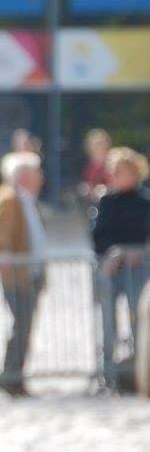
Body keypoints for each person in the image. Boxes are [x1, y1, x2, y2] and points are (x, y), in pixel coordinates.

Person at [0, 151, 47, 397]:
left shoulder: (26, 199)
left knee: (24, 326)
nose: (40, 176)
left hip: (30, 273)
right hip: (18, 275)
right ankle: (10, 377)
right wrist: (4, 254)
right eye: (36, 172)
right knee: (20, 326)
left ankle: (14, 376)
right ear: (23, 176)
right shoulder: (9, 198)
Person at [90, 147, 149, 389]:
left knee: (139, 321)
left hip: (139, 269)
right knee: (107, 323)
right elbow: (98, 236)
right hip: (111, 270)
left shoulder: (145, 201)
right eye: (114, 172)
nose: (117, 177)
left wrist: (137, 252)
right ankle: (108, 373)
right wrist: (112, 254)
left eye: (122, 172)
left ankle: (141, 373)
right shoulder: (106, 201)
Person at [80, 127, 112, 205]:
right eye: (95, 145)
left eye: (101, 144)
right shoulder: (91, 165)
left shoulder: (112, 162)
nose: (98, 148)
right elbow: (89, 182)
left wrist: (104, 189)